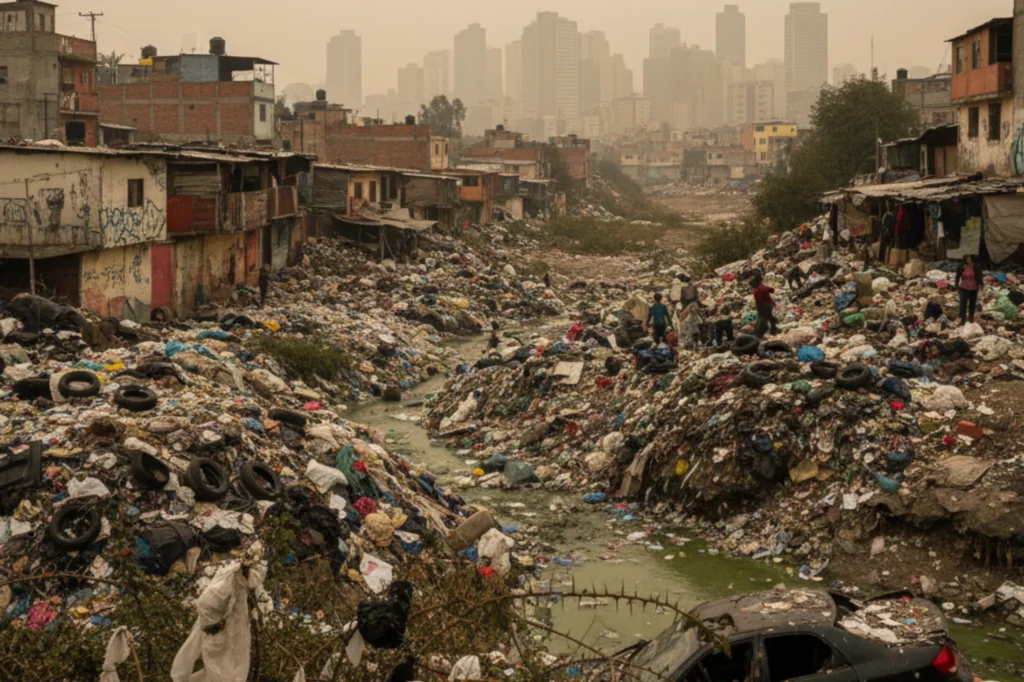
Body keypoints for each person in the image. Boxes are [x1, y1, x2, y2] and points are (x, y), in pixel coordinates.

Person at [955, 255, 982, 325]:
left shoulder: (976, 267)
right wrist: (956, 285)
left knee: (972, 304)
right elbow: (957, 276)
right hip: (963, 288)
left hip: (974, 288)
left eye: (969, 260)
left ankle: (971, 318)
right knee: (962, 304)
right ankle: (962, 319)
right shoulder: (962, 267)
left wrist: (981, 284)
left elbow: (979, 275)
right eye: (967, 260)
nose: (968, 261)